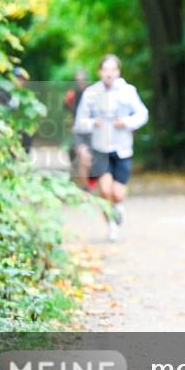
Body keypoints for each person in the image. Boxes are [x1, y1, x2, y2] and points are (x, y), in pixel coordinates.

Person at [73, 55, 148, 242]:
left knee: (117, 194)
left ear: (118, 72)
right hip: (100, 149)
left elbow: (142, 114)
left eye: (113, 70)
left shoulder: (128, 91)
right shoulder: (91, 93)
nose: (109, 74)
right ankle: (112, 227)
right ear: (100, 72)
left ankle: (118, 207)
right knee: (105, 192)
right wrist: (93, 123)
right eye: (105, 70)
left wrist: (127, 122)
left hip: (122, 149)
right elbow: (80, 122)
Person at [64, 68, 93, 188]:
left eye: (82, 79)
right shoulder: (72, 93)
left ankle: (91, 180)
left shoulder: (92, 92)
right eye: (77, 80)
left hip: (93, 129)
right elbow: (66, 106)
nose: (80, 82)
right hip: (78, 128)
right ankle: (84, 186)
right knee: (77, 153)